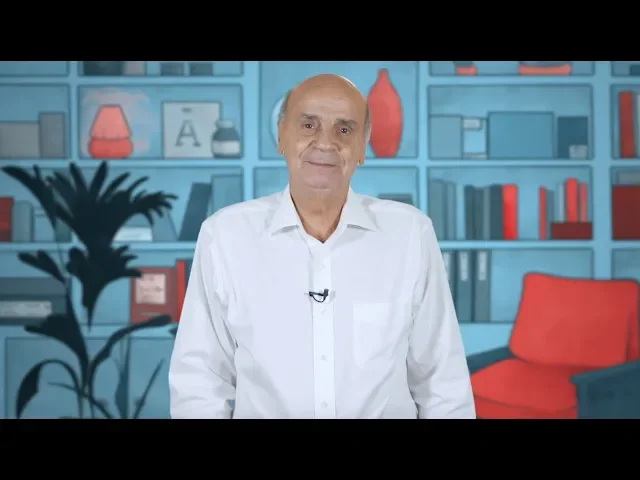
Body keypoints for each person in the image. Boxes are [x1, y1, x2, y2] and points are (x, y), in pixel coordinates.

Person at [168, 74, 475, 419]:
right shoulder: (225, 235)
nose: (325, 143)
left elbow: (442, 382)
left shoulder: (410, 234)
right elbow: (200, 383)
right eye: (308, 125)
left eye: (344, 129)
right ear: (281, 135)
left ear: (362, 146)